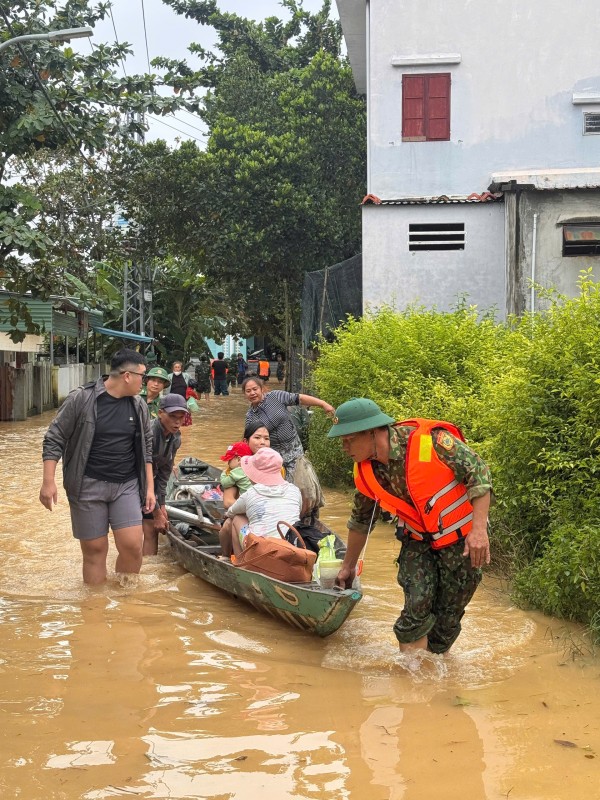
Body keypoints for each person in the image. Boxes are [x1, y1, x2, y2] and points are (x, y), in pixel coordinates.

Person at [326, 398, 492, 656]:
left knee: (447, 621)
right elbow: (360, 521)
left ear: (372, 432)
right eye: (341, 441)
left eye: (349, 440)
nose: (344, 448)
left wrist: (479, 531)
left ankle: (436, 667)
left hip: (461, 543)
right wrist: (348, 566)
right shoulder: (367, 472)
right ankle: (411, 676)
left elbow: (479, 475)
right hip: (417, 542)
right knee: (416, 608)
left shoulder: (432, 442)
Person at [39, 349, 155, 585]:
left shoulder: (139, 406)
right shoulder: (82, 399)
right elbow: (54, 438)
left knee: (133, 545)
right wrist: (48, 482)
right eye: (143, 376)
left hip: (126, 485)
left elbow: (146, 448)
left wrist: (150, 488)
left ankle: (126, 599)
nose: (144, 382)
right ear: (127, 376)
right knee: (95, 549)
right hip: (87, 484)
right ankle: (95, 602)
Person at [243, 377, 334, 481]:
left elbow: (299, 398)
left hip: (294, 448)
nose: (252, 393)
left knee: (301, 482)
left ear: (261, 389)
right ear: (245, 394)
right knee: (279, 484)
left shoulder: (276, 396)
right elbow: (249, 441)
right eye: (248, 391)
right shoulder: (250, 417)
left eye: (255, 389)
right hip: (273, 455)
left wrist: (323, 404)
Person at [225, 447, 302, 557]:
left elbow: (231, 512)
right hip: (291, 547)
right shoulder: (294, 490)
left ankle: (240, 560)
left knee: (236, 518)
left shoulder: (251, 493)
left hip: (259, 550)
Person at [142, 394, 186, 556]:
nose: (177, 422)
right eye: (173, 416)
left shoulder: (175, 438)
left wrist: (162, 505)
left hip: (150, 482)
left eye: (181, 417)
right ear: (160, 413)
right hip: (133, 481)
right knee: (144, 528)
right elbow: (141, 475)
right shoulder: (149, 434)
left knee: (152, 528)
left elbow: (164, 473)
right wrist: (157, 513)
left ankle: (150, 565)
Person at [218, 441, 253, 557]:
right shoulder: (254, 468)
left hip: (246, 506)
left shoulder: (237, 471)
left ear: (239, 459)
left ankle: (226, 556)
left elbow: (224, 483)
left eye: (229, 460)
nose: (228, 464)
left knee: (229, 523)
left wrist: (224, 473)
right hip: (254, 504)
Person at [167, 360, 193, 426]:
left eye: (179, 367)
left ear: (181, 368)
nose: (177, 368)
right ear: (173, 368)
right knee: (173, 421)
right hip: (172, 402)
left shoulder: (186, 376)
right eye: (176, 367)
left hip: (184, 401)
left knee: (185, 423)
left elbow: (191, 386)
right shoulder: (168, 377)